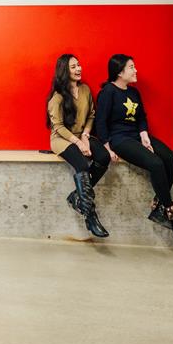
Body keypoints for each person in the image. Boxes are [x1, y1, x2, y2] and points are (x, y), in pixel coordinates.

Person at [95, 54, 173, 237]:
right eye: (131, 67)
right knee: (155, 164)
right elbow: (101, 122)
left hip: (136, 135)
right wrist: (107, 147)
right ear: (120, 72)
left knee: (169, 158)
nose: (136, 70)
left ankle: (160, 204)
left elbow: (141, 117)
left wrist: (144, 134)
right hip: (119, 139)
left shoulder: (133, 92)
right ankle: (170, 211)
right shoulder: (108, 92)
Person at [47, 54, 110, 237]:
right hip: (61, 138)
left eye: (79, 65)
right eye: (73, 67)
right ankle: (90, 215)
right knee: (82, 164)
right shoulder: (57, 97)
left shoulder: (85, 90)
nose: (79, 69)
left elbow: (91, 115)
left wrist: (85, 135)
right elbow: (57, 127)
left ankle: (76, 196)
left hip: (81, 135)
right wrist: (77, 142)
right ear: (64, 71)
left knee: (104, 157)